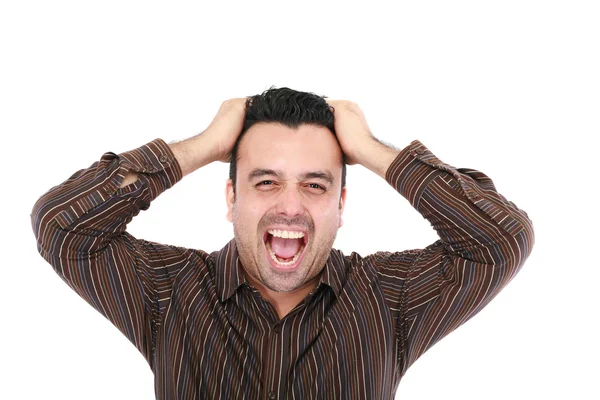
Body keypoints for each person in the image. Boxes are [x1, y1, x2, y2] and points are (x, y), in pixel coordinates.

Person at [31, 86, 535, 399]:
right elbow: (63, 224)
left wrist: (370, 149)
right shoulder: (168, 292)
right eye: (265, 181)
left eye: (315, 184)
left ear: (340, 205)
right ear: (232, 198)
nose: (290, 207)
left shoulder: (388, 298)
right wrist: (206, 145)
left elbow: (499, 240)